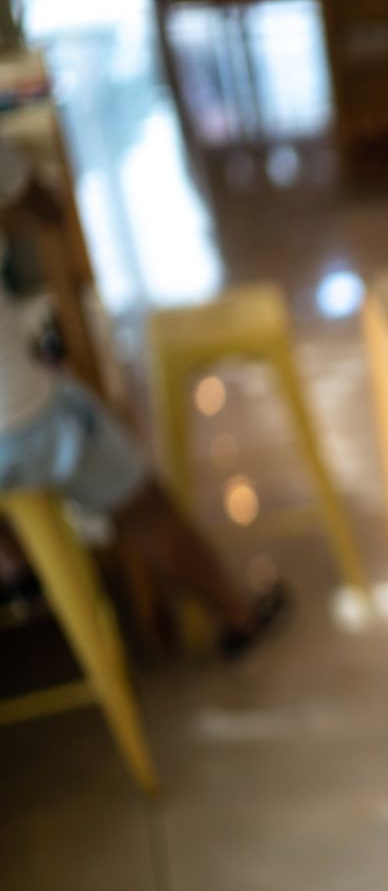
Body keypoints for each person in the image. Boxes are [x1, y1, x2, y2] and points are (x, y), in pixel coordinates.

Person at [0, 137, 285, 656]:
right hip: (24, 420)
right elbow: (46, 208)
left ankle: (14, 557)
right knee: (145, 508)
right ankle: (235, 612)